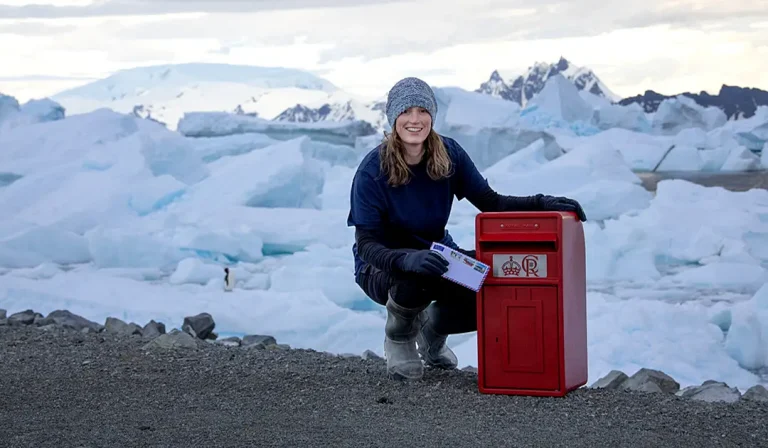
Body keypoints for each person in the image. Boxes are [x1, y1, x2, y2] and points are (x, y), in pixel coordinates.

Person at [347, 77, 587, 381]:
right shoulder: (372, 170)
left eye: (422, 111)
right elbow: (367, 244)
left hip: (434, 257)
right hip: (380, 268)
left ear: (432, 116)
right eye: (406, 111)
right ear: (394, 117)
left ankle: (432, 333)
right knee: (418, 275)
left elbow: (491, 202)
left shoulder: (448, 153)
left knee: (495, 276)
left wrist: (542, 203)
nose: (415, 119)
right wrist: (406, 259)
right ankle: (399, 335)